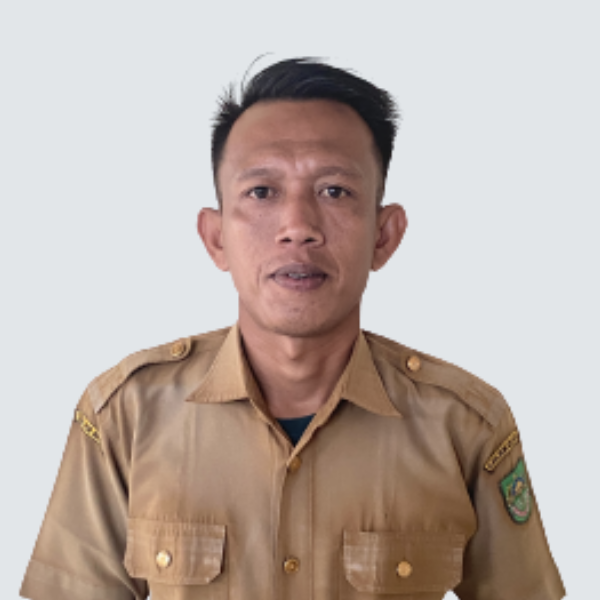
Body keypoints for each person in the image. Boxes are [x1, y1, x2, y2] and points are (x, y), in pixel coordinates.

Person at [20, 58, 565, 600]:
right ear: (216, 238)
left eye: (334, 191)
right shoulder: (126, 415)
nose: (298, 227)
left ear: (384, 235)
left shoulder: (464, 425)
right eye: (262, 191)